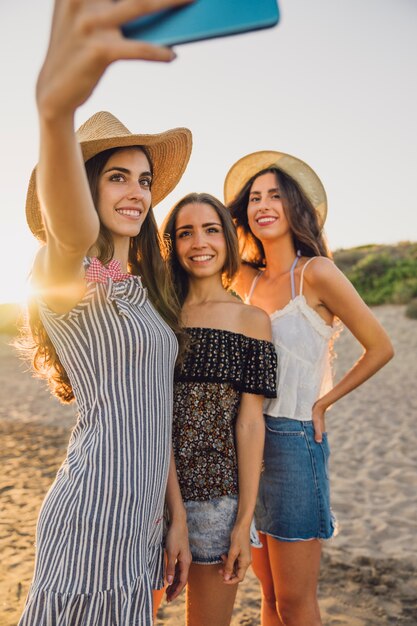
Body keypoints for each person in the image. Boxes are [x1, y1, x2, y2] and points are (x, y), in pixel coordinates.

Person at [18, 0, 195, 624]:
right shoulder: (68, 274)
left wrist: (175, 517)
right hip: (91, 510)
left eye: (144, 180)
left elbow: (156, 409)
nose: (138, 192)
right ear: (88, 185)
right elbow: (70, 232)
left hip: (142, 517)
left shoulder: (143, 292)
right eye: (118, 176)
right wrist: (54, 112)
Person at [223, 151, 394, 626]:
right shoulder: (246, 279)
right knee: (269, 596)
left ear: (296, 206)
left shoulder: (317, 273)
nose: (263, 204)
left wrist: (324, 402)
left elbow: (381, 347)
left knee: (297, 602)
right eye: (254, 198)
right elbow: (177, 253)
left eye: (275, 195)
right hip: (247, 441)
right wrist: (97, 269)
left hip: (296, 442)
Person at [153, 192, 277, 626]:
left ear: (226, 239)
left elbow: (249, 424)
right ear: (171, 244)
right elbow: (152, 414)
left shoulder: (252, 321)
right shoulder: (155, 313)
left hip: (214, 498)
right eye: (185, 232)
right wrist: (174, 513)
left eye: (210, 230)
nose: (198, 242)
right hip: (146, 490)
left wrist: (244, 522)